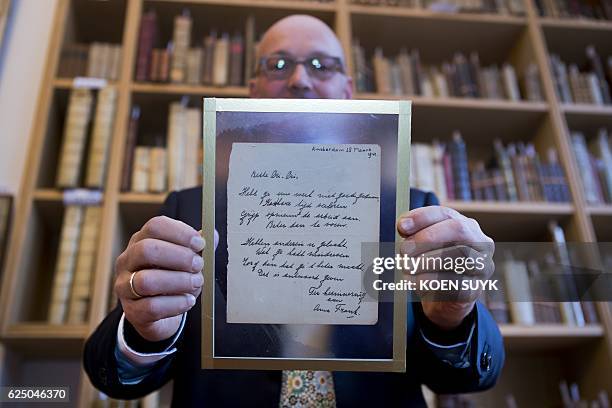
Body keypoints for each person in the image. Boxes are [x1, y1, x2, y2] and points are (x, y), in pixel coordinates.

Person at [84, 14, 503, 406]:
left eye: (322, 65)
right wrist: (143, 332)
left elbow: (467, 379)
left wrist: (452, 317)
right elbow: (112, 376)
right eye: (278, 64)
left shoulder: (416, 212)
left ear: (348, 91)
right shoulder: (188, 209)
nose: (300, 79)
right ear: (252, 90)